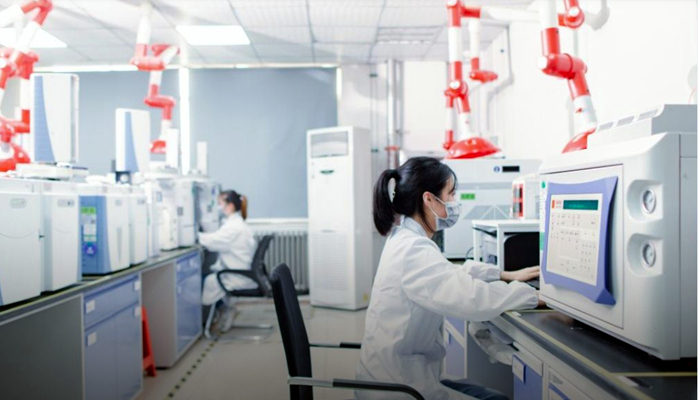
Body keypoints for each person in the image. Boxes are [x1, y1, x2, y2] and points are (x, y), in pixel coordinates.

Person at [355, 157, 542, 400]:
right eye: (451, 193)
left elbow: (448, 273)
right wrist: (532, 296)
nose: (455, 202)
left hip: (399, 376)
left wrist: (503, 274)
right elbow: (472, 298)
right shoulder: (414, 250)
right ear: (429, 199)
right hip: (399, 389)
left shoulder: (405, 239)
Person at [199, 190, 257, 332]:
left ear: (230, 206)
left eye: (219, 204)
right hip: (240, 271)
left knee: (199, 282)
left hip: (236, 276)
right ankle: (219, 311)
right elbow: (216, 239)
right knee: (206, 278)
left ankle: (216, 313)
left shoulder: (233, 227)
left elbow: (211, 241)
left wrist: (193, 234)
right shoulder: (236, 223)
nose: (218, 207)